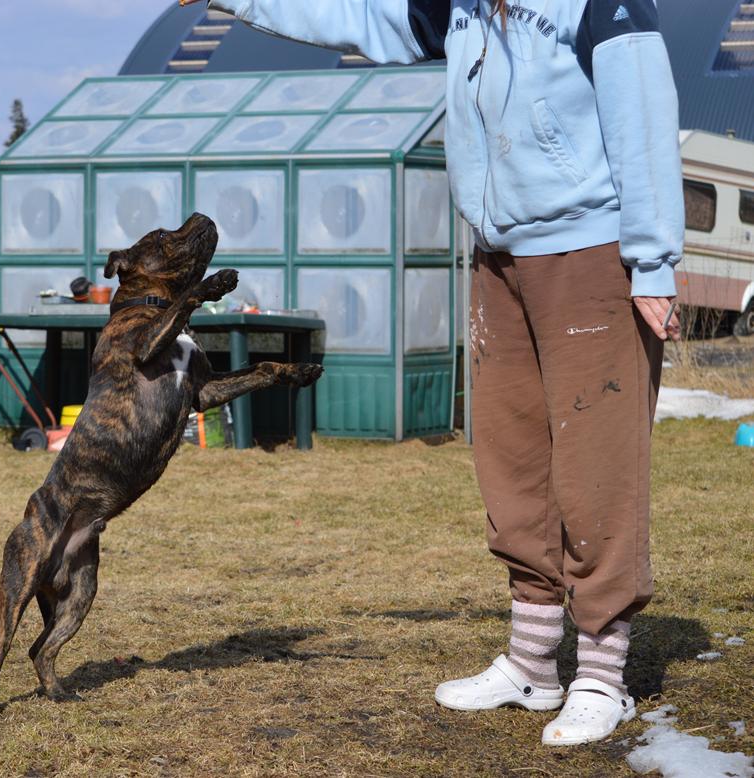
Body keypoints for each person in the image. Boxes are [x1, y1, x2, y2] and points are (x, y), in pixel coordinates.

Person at [181, 0, 683, 746]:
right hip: (497, 256)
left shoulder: (600, 5)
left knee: (596, 465)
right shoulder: (459, 5)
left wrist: (651, 262)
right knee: (511, 461)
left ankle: (603, 676)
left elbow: (642, 117)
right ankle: (533, 663)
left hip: (591, 253)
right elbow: (352, 15)